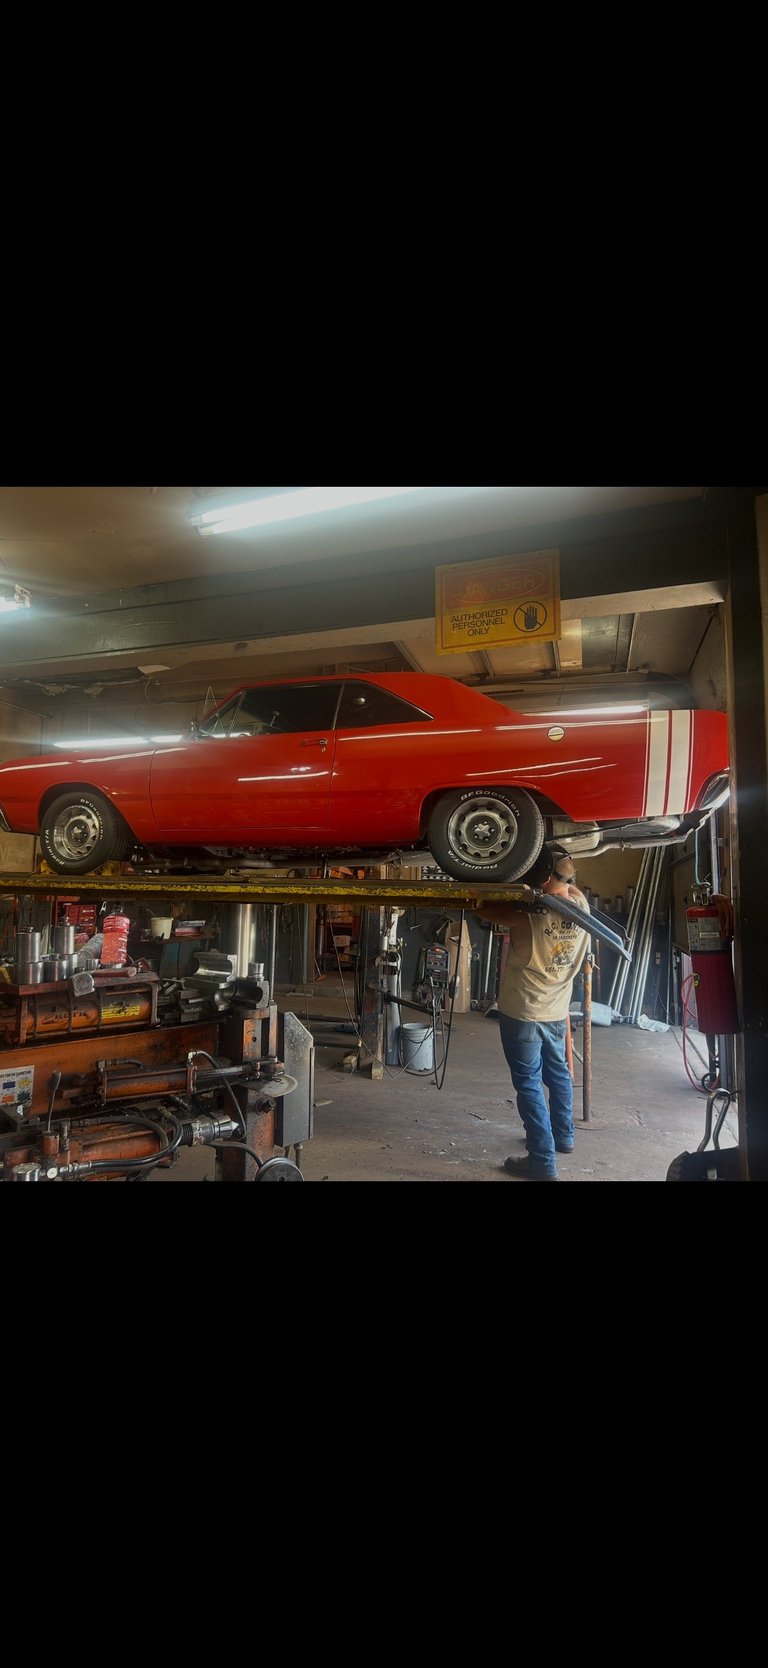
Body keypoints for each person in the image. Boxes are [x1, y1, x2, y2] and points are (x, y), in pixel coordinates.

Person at [479, 845, 591, 1182]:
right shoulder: (581, 904)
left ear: (538, 873)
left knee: (528, 1084)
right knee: (557, 1075)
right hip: (557, 1011)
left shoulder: (526, 915)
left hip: (523, 1011)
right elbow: (564, 884)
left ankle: (542, 1160)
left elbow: (482, 907)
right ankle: (564, 1136)